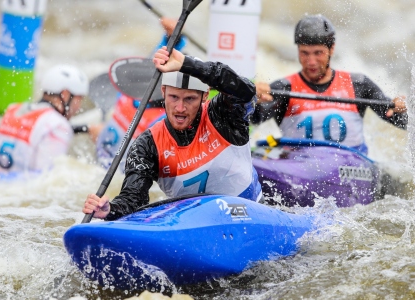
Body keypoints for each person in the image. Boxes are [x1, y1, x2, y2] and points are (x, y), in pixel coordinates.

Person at [83, 46, 262, 220]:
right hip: (194, 224)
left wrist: (188, 64)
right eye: (173, 97)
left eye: (189, 99)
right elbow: (133, 200)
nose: (180, 108)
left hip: (250, 214)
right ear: (163, 92)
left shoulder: (222, 116)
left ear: (205, 95)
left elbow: (245, 91)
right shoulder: (147, 145)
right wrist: (110, 210)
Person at [251, 14, 407, 155]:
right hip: (298, 167)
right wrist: (250, 99)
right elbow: (253, 120)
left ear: (331, 49)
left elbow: (398, 118)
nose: (311, 61)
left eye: (318, 53)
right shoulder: (283, 88)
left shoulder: (358, 84)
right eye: (304, 53)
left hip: (351, 166)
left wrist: (403, 109)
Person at [95, 17, 188, 172]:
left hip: (100, 166)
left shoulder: (127, 93)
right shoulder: (163, 122)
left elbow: (151, 66)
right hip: (123, 177)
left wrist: (173, 38)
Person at [0, 64, 89, 173]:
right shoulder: (59, 126)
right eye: (79, 99)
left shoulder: (14, 109)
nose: (79, 107)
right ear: (65, 94)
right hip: (14, 186)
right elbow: (44, 177)